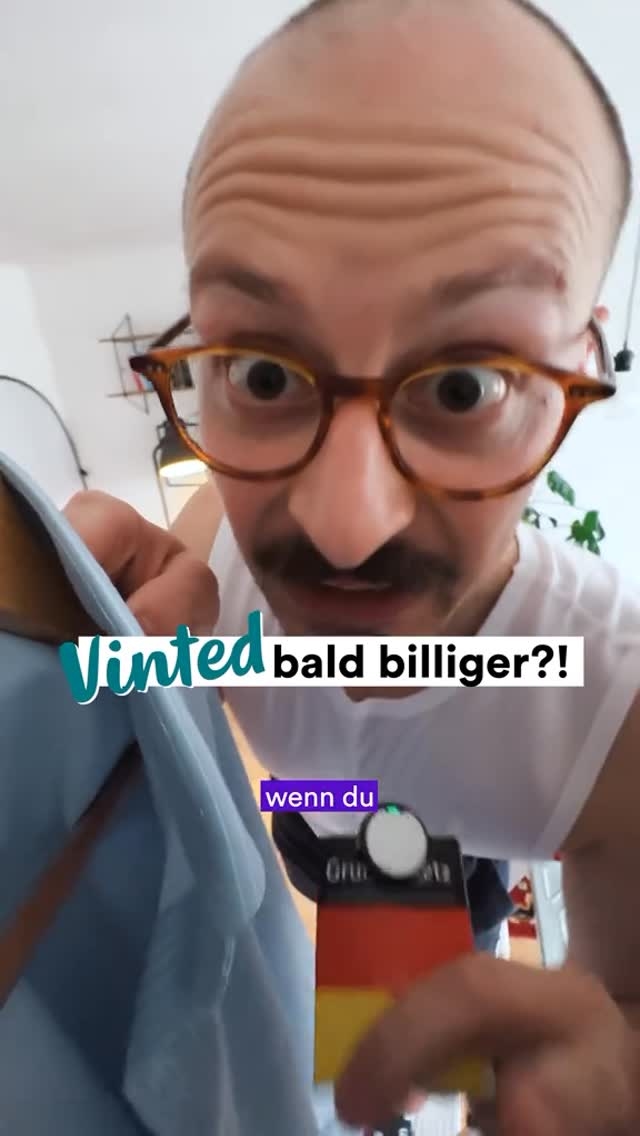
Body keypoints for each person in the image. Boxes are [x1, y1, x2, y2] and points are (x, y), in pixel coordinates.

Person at [63, 0, 640, 1131]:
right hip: (314, 838)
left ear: (581, 367)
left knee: (439, 1039)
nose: (343, 529)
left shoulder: (614, 715)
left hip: (460, 874)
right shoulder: (206, 555)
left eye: (464, 385)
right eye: (264, 376)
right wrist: (76, 636)